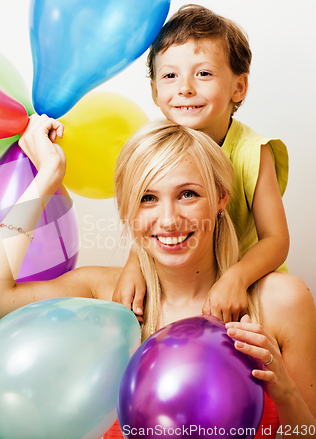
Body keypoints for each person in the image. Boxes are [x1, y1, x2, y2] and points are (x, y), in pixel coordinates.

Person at [0, 116, 316, 438]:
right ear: (126, 211)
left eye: (188, 194)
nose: (168, 220)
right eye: (147, 198)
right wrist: (47, 177)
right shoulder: (103, 295)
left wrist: (286, 394)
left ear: (221, 199)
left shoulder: (281, 301)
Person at [112, 4, 290, 325]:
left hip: (245, 282)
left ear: (238, 87)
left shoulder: (253, 151)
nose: (185, 88)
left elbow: (275, 239)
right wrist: (133, 265)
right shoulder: (154, 148)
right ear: (154, 91)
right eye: (170, 75)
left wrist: (236, 278)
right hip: (185, 283)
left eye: (203, 73)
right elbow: (149, 220)